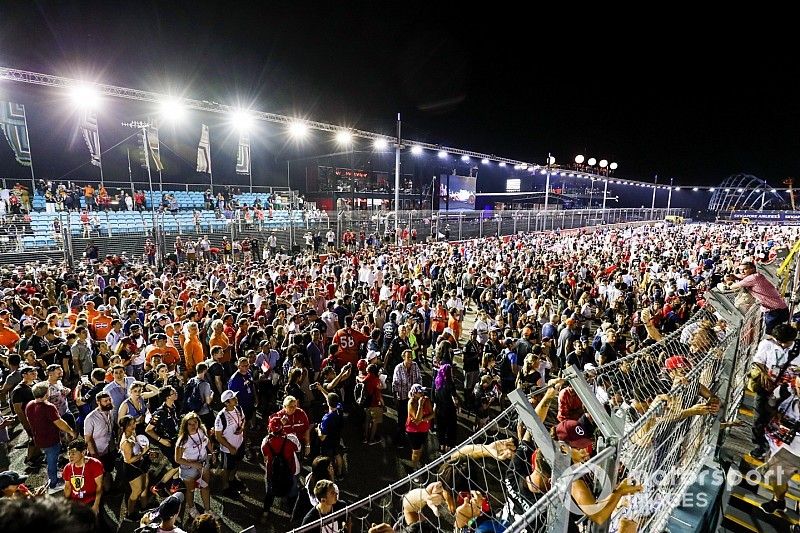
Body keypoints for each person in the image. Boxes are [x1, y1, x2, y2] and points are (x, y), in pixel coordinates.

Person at [749, 323, 799, 459]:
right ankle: (759, 445)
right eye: (779, 342)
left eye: (786, 343)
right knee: (759, 416)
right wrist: (763, 373)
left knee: (779, 419)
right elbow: (757, 361)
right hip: (767, 386)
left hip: (788, 393)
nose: (782, 345)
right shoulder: (767, 344)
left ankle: (778, 446)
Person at [26, 381, 76, 492]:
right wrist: (70, 431)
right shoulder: (48, 407)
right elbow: (59, 422)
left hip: (38, 438)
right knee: (52, 460)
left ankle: (53, 475)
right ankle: (54, 483)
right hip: (50, 439)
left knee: (50, 458)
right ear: (46, 393)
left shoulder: (30, 405)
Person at [727, 261, 790, 334]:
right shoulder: (757, 276)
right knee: (781, 333)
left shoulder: (752, 278)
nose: (742, 272)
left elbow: (733, 286)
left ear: (752, 269)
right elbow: (743, 277)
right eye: (740, 270)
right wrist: (735, 276)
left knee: (772, 335)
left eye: (745, 269)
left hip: (773, 311)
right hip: (780, 308)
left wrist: (729, 283)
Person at [175, 411, 213, 521]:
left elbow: (207, 441)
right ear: (185, 425)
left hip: (203, 464)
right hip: (189, 469)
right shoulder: (182, 440)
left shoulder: (201, 430)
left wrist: (212, 452)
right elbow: (177, 459)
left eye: (195, 422)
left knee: (205, 487)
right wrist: (193, 464)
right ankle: (192, 508)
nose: (193, 426)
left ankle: (207, 510)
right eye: (190, 424)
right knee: (190, 490)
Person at [261, 417, 301, 521]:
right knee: (292, 494)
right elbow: (298, 448)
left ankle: (265, 513)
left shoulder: (265, 442)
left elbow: (264, 456)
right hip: (290, 472)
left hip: (272, 473)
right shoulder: (291, 439)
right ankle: (293, 514)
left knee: (269, 494)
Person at [213, 390, 246, 496]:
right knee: (226, 469)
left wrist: (241, 428)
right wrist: (230, 447)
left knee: (237, 463)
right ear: (227, 403)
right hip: (228, 449)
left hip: (239, 443)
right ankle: (225, 487)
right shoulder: (221, 416)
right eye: (233, 398)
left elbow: (243, 420)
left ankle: (232, 480)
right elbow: (218, 436)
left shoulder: (239, 408)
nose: (236, 399)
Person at [82, 392, 115, 490]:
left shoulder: (110, 412)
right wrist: (95, 456)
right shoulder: (90, 418)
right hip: (98, 452)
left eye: (109, 400)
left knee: (108, 470)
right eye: (105, 401)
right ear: (98, 402)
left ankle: (108, 490)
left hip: (110, 448)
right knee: (99, 474)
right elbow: (88, 439)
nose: (108, 402)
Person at [62, 439, 104, 515]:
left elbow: (99, 486)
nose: (70, 457)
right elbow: (67, 487)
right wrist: (65, 504)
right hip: (75, 503)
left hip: (91, 501)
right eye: (69, 454)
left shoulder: (95, 465)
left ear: (83, 452)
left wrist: (96, 505)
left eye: (73, 454)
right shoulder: (67, 468)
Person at [406, 383, 434, 469]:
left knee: (421, 448)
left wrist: (422, 419)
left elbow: (432, 414)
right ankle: (414, 468)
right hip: (413, 431)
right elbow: (417, 420)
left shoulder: (426, 400)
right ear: (414, 393)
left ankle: (418, 462)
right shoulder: (411, 402)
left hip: (424, 429)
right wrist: (420, 405)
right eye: (420, 392)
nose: (422, 393)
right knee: (416, 451)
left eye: (422, 391)